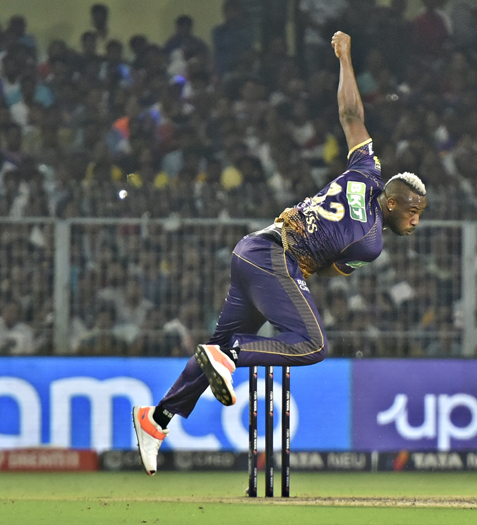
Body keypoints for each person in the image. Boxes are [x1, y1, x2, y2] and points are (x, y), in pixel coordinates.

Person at [132, 31, 428, 475]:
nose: (416, 221)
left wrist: (344, 58)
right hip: (276, 261)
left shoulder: (366, 170)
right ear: (392, 203)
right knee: (312, 344)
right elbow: (326, 270)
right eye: (413, 212)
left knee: (216, 347)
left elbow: (350, 113)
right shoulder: (371, 243)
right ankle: (232, 356)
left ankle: (156, 420)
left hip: (251, 249)